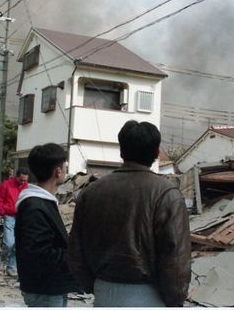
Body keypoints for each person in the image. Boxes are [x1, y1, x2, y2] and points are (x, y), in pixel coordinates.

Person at [68, 121, 191, 307]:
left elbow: (75, 250)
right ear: (156, 153)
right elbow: (175, 258)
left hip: (103, 291)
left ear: (121, 151)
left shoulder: (91, 192)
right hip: (149, 296)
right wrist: (175, 299)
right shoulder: (166, 194)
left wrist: (91, 285)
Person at [15, 143, 80, 307]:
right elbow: (39, 254)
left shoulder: (43, 202)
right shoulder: (34, 206)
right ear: (58, 171)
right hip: (44, 289)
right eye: (65, 167)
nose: (65, 171)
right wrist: (76, 255)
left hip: (51, 286)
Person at [0, 168, 29, 276]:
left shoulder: (26, 187)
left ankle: (11, 267)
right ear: (17, 176)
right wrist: (3, 212)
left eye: (25, 180)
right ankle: (3, 260)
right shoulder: (6, 185)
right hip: (9, 216)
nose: (23, 182)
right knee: (9, 243)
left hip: (21, 217)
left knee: (17, 244)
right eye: (22, 180)